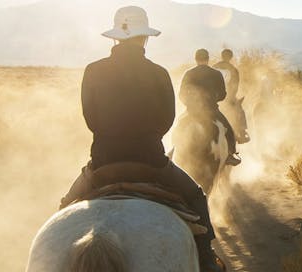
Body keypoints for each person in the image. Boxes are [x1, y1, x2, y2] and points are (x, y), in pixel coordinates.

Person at [58, 6, 223, 272]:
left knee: (65, 206)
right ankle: (207, 259)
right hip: (152, 162)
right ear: (144, 38)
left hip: (102, 163)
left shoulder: (92, 70)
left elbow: (91, 118)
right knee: (196, 195)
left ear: (115, 37)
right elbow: (167, 119)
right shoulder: (159, 73)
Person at [180, 49, 241, 166]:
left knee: (178, 127)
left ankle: (175, 150)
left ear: (196, 59)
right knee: (229, 131)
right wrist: (213, 100)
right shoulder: (216, 74)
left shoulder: (189, 73)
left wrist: (189, 104)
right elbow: (223, 94)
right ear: (207, 59)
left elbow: (181, 94)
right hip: (211, 111)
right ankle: (231, 154)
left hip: (191, 110)